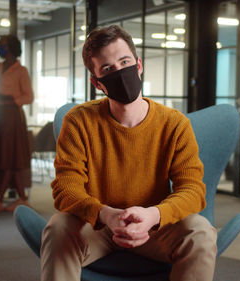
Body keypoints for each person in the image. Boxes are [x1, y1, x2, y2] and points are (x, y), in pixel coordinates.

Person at [41, 25, 217, 281]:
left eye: (125, 62)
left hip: (153, 228)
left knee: (200, 231)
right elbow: (66, 189)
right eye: (108, 69)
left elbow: (193, 190)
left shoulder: (174, 124)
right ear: (96, 82)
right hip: (98, 227)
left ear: (139, 64)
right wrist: (105, 214)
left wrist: (154, 215)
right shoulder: (79, 121)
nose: (120, 73)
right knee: (58, 227)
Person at [0, 34, 34, 214]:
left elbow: (29, 96)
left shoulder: (21, 71)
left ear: (11, 47)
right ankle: (22, 198)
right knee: (7, 157)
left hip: (12, 116)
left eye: (2, 44)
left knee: (9, 156)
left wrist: (11, 100)